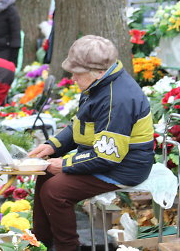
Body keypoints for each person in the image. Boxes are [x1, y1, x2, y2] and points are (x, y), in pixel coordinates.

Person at [28, 35, 154, 251]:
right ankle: (40, 243)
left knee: (55, 191)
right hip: (107, 158)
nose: (72, 78)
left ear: (98, 72)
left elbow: (107, 156)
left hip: (124, 167)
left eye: (76, 73)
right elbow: (79, 125)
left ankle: (68, 248)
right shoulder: (100, 85)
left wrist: (65, 164)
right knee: (44, 174)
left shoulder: (118, 99)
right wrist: (53, 146)